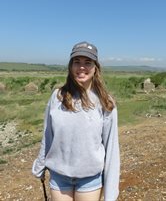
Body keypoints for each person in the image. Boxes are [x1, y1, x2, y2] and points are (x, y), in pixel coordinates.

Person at [32, 41, 120, 201]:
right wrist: (40, 165)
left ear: (95, 68)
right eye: (76, 62)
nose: (81, 67)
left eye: (87, 62)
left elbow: (112, 148)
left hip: (89, 178)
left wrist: (111, 193)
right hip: (59, 177)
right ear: (70, 66)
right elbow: (48, 135)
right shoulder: (57, 97)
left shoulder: (106, 102)